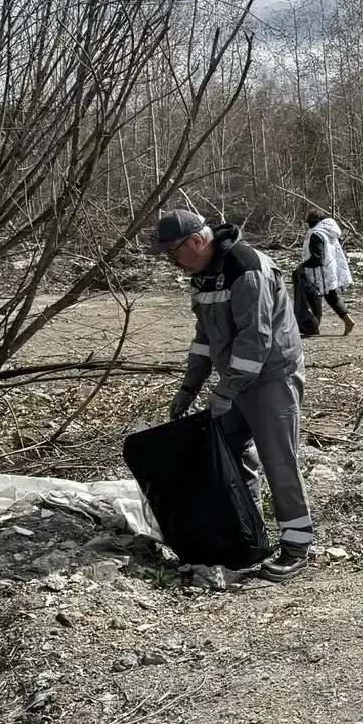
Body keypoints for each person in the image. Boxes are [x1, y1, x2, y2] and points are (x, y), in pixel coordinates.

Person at [150, 209, 314, 581]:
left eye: (173, 252)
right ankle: (249, 537)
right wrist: (189, 387)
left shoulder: (247, 268)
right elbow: (205, 338)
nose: (172, 261)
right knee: (232, 457)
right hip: (235, 380)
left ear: (196, 241)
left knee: (279, 460)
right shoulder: (202, 276)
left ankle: (296, 546)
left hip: (272, 377)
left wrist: (224, 392)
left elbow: (256, 340)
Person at [297, 211, 355, 337]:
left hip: (319, 274)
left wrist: (303, 265)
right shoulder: (327, 232)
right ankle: (348, 320)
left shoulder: (316, 234)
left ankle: (313, 326)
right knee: (332, 298)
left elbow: (318, 257)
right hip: (329, 271)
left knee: (313, 299)